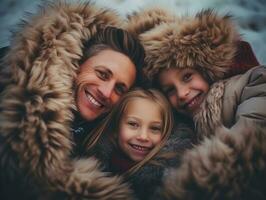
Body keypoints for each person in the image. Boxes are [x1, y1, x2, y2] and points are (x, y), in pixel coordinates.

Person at [0, 2, 145, 200]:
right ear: (77, 63)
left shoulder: (104, 143)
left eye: (119, 88)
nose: (106, 91)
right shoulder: (8, 85)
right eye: (102, 74)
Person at [126, 7, 266, 199]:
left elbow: (252, 138)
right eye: (170, 90)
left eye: (187, 77)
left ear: (205, 69)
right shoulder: (182, 126)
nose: (182, 93)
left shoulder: (250, 83)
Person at [84, 88, 193, 200]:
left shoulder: (169, 177)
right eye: (133, 124)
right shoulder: (90, 167)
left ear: (166, 134)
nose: (143, 137)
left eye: (155, 128)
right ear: (116, 128)